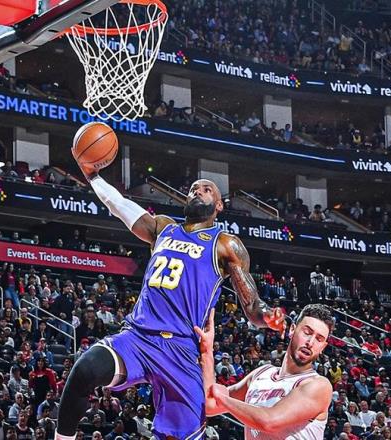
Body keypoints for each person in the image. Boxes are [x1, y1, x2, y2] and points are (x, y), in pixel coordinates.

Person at [56, 156, 286, 439]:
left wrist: (268, 316)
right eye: (193, 188)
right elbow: (120, 206)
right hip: (139, 337)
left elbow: (251, 304)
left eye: (206, 189)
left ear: (219, 206)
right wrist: (94, 178)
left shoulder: (225, 244)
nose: (198, 191)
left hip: (181, 349)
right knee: (85, 370)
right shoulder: (163, 228)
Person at [195, 304, 333, 439]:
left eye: (319, 339)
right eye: (307, 332)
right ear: (292, 329)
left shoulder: (319, 386)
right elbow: (211, 405)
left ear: (323, 347)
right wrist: (206, 351)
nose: (310, 342)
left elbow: (269, 422)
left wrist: (222, 398)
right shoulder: (261, 374)